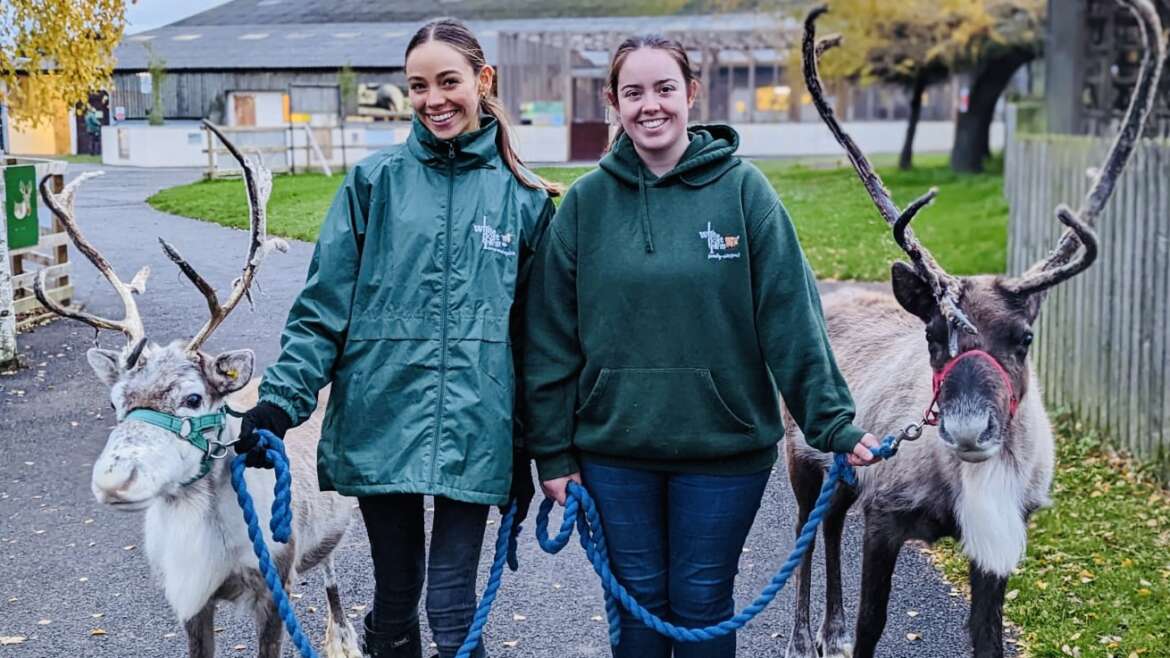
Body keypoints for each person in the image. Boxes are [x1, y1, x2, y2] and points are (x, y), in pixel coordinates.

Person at [521, 35, 882, 658]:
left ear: (691, 94)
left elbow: (792, 319)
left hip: (724, 449)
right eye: (633, 92)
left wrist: (834, 424)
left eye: (665, 89)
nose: (650, 106)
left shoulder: (745, 194)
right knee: (637, 610)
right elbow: (550, 337)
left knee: (702, 601)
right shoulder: (585, 205)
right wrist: (552, 452)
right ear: (613, 102)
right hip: (613, 450)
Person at [235, 17, 558, 658]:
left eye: (448, 82)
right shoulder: (373, 183)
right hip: (383, 418)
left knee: (450, 602)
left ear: (482, 81)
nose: (434, 99)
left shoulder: (525, 200)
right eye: (418, 86)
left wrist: (540, 443)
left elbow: (542, 340)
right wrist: (277, 402)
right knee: (395, 592)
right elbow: (322, 309)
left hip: (477, 426)